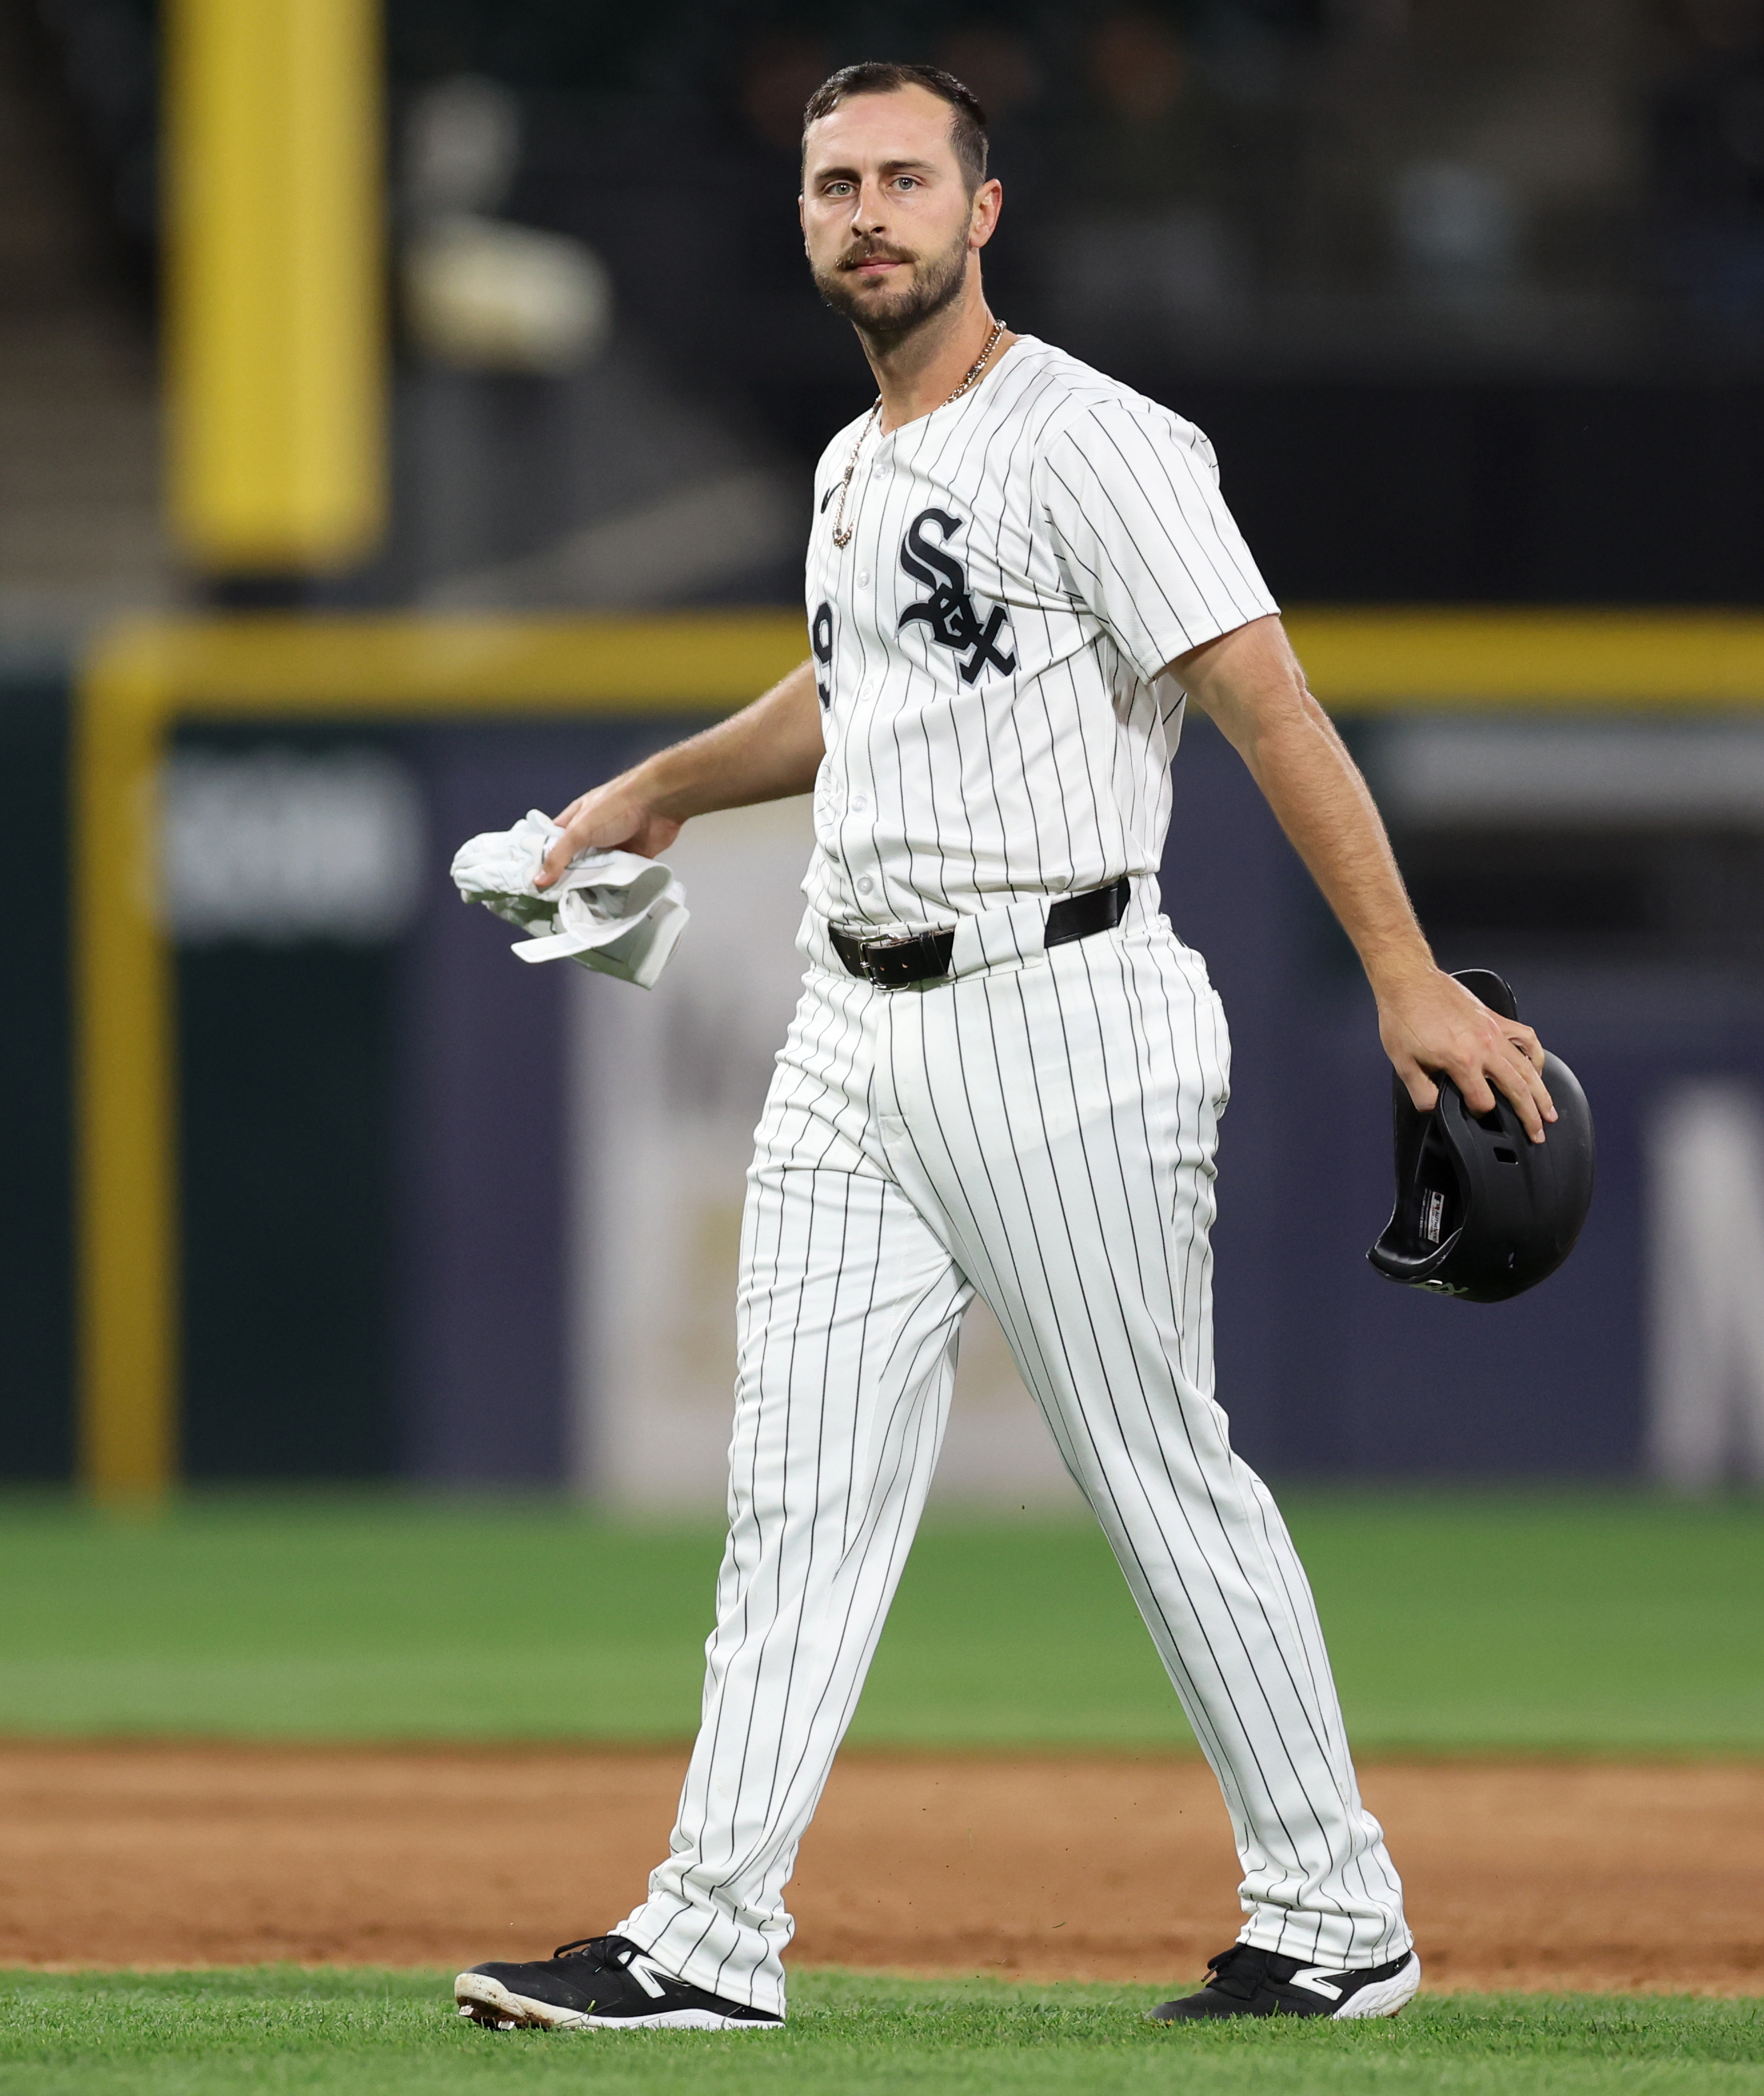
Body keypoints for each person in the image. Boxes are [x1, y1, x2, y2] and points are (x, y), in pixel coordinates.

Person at [454, 59, 1554, 2035]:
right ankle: (707, 1938)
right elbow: (843, 693)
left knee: (1154, 1476)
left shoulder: (1101, 442)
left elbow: (1270, 701)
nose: (865, 213)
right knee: (794, 1493)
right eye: (831, 186)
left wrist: (1405, 975)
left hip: (1068, 1015)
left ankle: (1336, 1912)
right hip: (851, 1027)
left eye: (903, 180)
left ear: (983, 211)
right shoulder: (851, 463)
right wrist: (659, 788)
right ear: (803, 224)